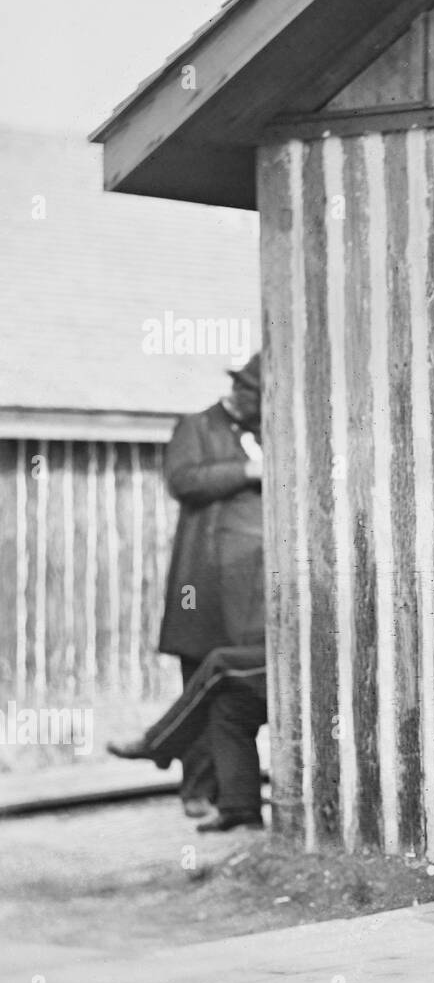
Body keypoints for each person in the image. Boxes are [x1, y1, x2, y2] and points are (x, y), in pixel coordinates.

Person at [109, 354, 266, 827]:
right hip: (202, 587)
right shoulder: (195, 426)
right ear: (241, 391)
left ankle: (233, 801)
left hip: (248, 592)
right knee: (199, 677)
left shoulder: (266, 434)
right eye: (255, 395)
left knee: (225, 694)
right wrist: (248, 473)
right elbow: (183, 480)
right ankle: (196, 791)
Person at [108, 645, 267, 832]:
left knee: (220, 663)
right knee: (229, 706)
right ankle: (240, 807)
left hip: (295, 655)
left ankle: (158, 744)